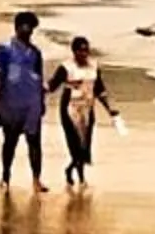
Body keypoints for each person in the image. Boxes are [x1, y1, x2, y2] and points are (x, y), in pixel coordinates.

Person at [45, 35, 119, 191]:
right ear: (74, 51)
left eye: (86, 50)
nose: (84, 54)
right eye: (80, 51)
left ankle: (73, 170)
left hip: (87, 108)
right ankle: (79, 177)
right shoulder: (66, 67)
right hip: (69, 109)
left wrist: (109, 108)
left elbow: (100, 90)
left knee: (85, 145)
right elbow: (52, 86)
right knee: (75, 144)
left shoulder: (94, 67)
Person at [0, 12, 50, 194]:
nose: (29, 30)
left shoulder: (36, 53)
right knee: (10, 141)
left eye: (31, 27)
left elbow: (39, 77)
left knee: (35, 142)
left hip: (31, 102)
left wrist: (41, 101)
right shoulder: (3, 49)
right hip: (11, 102)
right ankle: (5, 177)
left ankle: (37, 180)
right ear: (17, 26)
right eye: (25, 26)